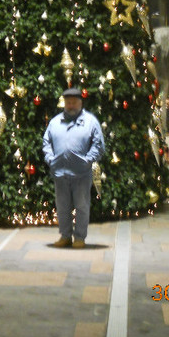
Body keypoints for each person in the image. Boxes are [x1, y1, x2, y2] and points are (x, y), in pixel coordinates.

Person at [43, 87, 105, 249]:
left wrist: (88, 160)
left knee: (82, 206)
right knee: (62, 207)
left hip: (81, 174)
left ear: (80, 103)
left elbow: (98, 145)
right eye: (68, 103)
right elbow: (46, 143)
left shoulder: (91, 122)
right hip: (60, 173)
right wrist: (50, 159)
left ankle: (79, 238)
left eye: (74, 103)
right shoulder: (55, 122)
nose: (70, 106)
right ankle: (65, 236)